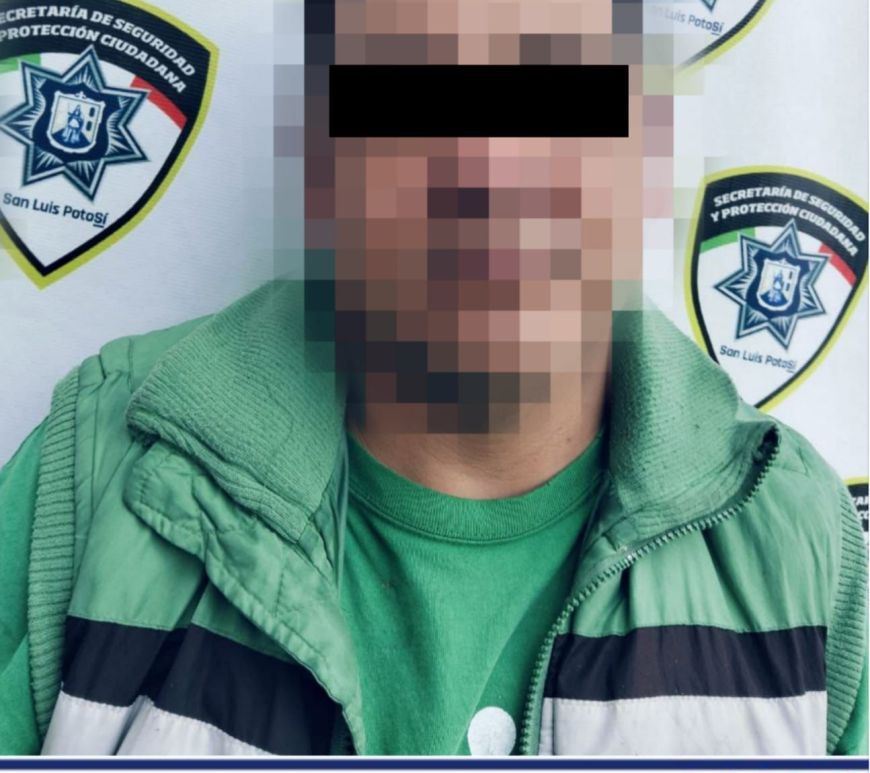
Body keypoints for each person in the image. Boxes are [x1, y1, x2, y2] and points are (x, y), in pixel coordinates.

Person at [0, 0, 866, 757]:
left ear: (643, 147)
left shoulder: (797, 538)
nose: (486, 168)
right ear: (324, 157)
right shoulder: (92, 475)